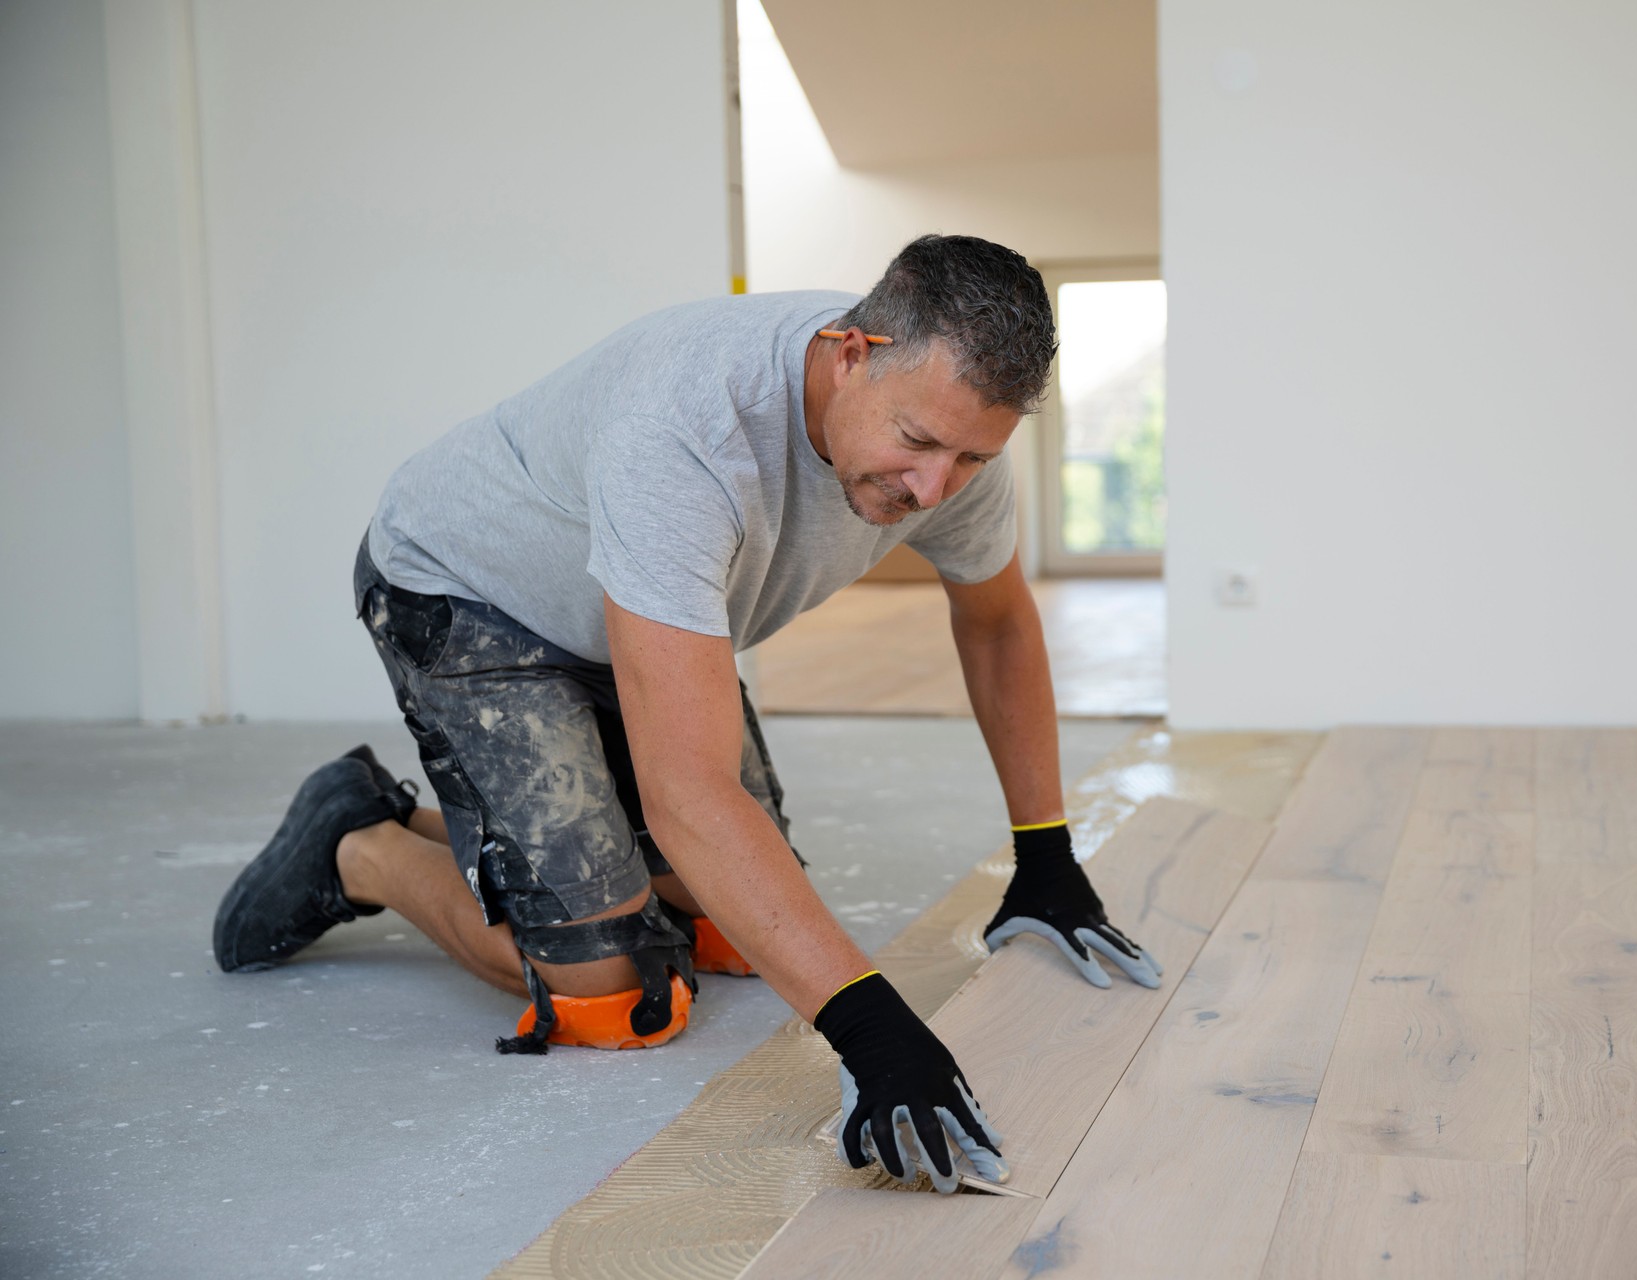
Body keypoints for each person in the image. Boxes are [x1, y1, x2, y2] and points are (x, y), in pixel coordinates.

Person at [212, 234, 1162, 1194]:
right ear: (850, 354)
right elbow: (692, 795)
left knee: (733, 924)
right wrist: (875, 1034)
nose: (933, 489)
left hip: (633, 618)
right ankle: (357, 841)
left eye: (969, 457)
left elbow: (997, 626)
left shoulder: (949, 426)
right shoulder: (685, 430)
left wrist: (1046, 854)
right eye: (915, 444)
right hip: (473, 597)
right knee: (619, 995)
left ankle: (518, 852)